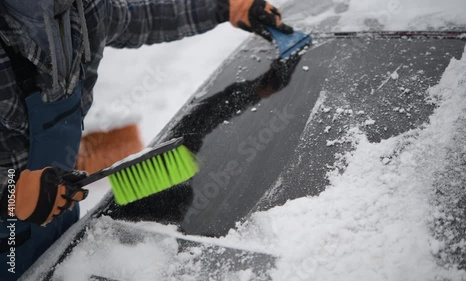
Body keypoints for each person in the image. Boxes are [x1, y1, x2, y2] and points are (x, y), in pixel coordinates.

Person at [0, 0, 293, 279]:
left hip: (59, 227)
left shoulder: (81, 9)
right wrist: (9, 194)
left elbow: (145, 16)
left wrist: (223, 7)